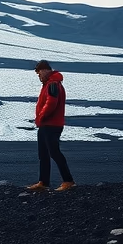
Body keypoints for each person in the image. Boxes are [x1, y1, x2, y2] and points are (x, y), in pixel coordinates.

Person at [26, 59, 75, 192]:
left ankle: (68, 181)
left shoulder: (53, 84)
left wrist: (41, 116)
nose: (39, 76)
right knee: (43, 154)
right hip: (45, 124)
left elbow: (51, 103)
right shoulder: (49, 84)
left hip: (51, 124)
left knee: (54, 152)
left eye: (39, 73)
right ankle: (43, 182)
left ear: (45, 70)